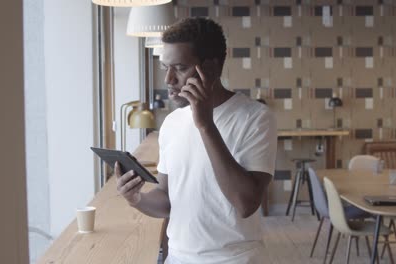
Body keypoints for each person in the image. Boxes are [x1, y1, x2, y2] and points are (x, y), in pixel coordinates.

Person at [115, 17, 277, 264]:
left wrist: (205, 124)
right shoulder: (171, 123)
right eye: (164, 67)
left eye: (179, 67)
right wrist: (137, 199)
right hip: (178, 258)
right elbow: (167, 200)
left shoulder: (255, 117)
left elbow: (246, 203)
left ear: (210, 68)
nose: (168, 79)